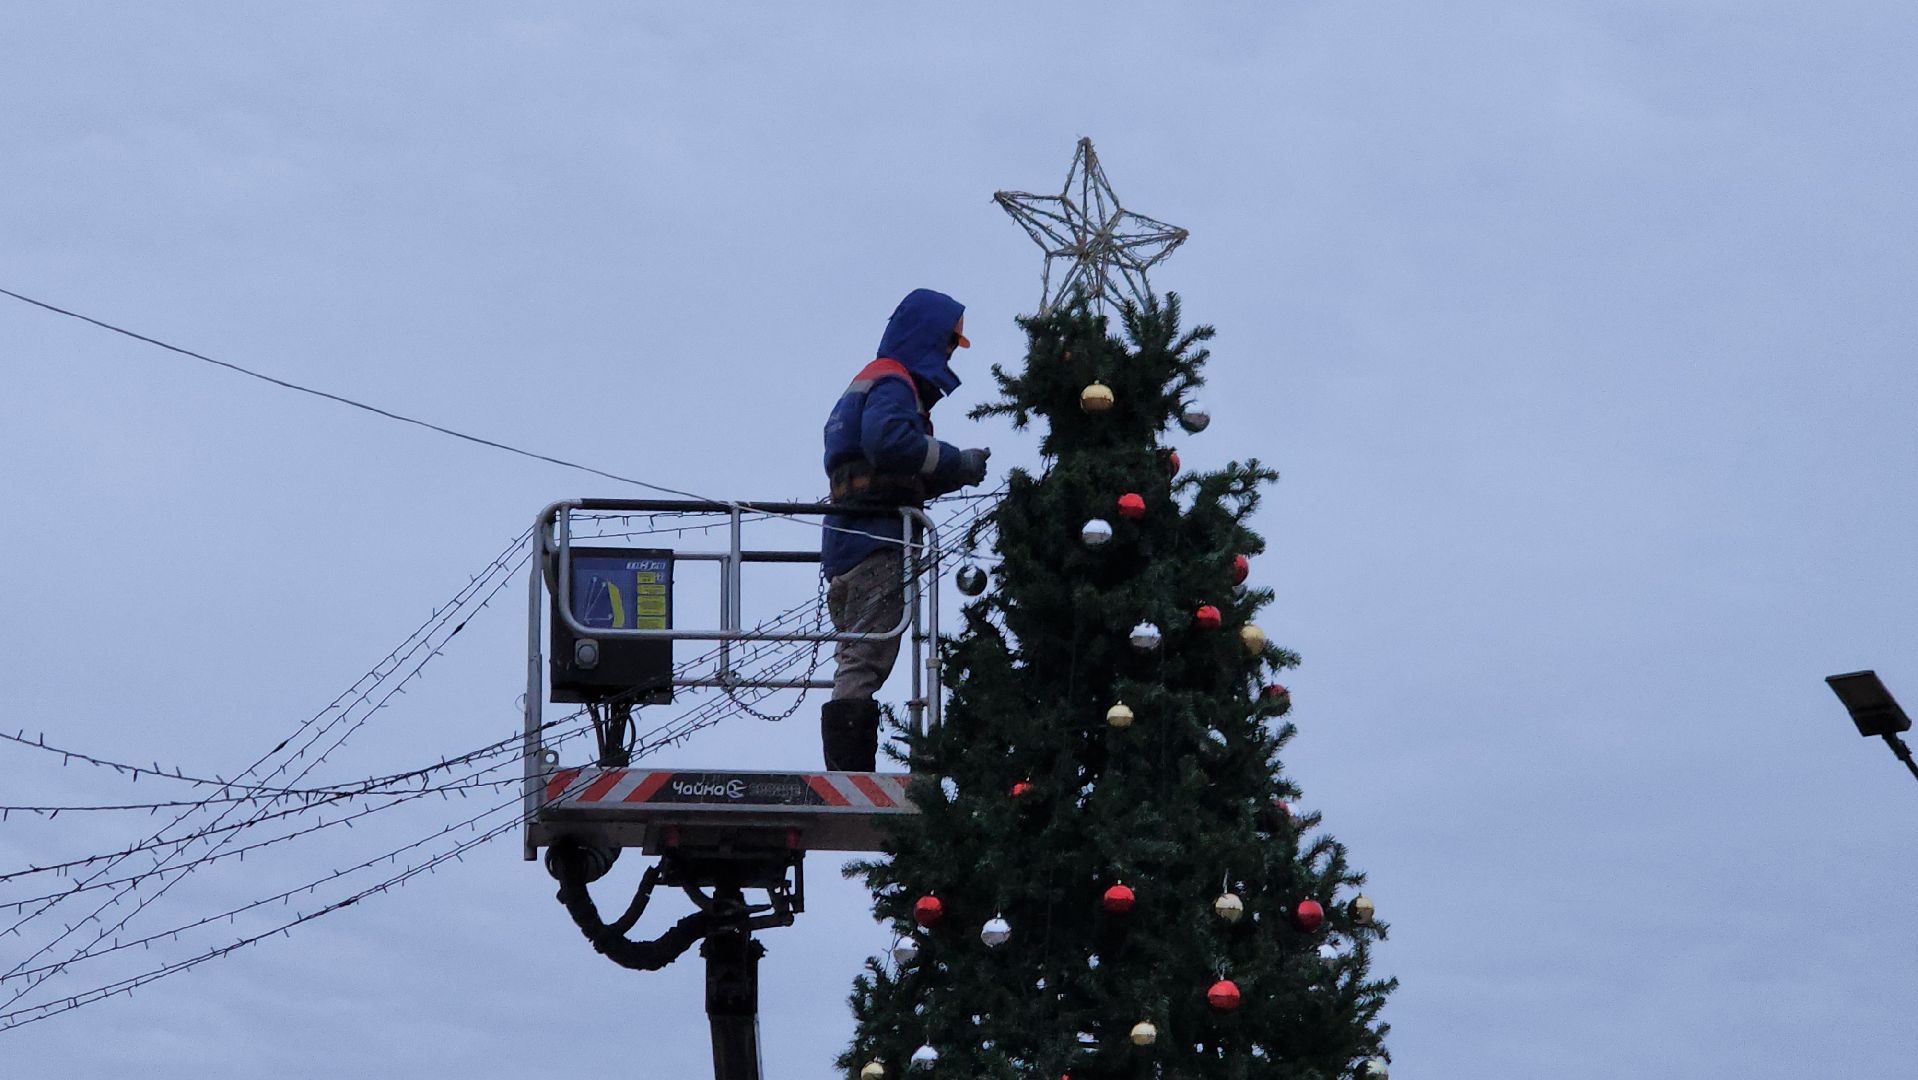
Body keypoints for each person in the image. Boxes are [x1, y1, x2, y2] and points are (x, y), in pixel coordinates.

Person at [818, 289, 990, 771]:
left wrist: (947, 473)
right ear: (929, 337)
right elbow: (891, 444)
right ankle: (849, 774)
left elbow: (883, 474)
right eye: (949, 343)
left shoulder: (868, 383)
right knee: (864, 659)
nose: (950, 354)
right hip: (877, 544)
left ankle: (847, 767)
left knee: (856, 654)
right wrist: (958, 460)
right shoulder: (893, 384)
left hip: (847, 542)